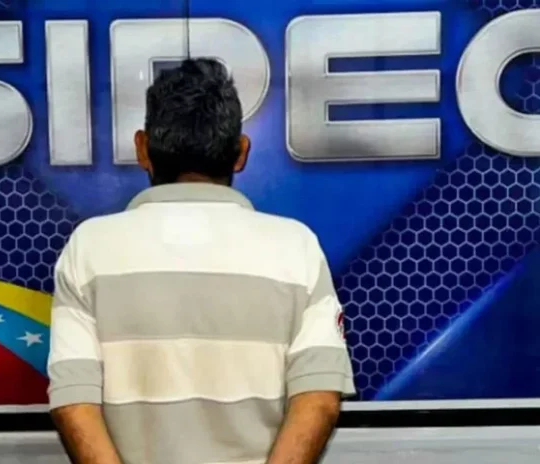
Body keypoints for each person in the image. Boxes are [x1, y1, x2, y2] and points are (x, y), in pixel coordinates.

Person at [47, 58, 355, 464]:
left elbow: (74, 402)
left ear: (142, 149)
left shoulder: (89, 248)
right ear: (241, 152)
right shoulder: (296, 247)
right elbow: (318, 399)